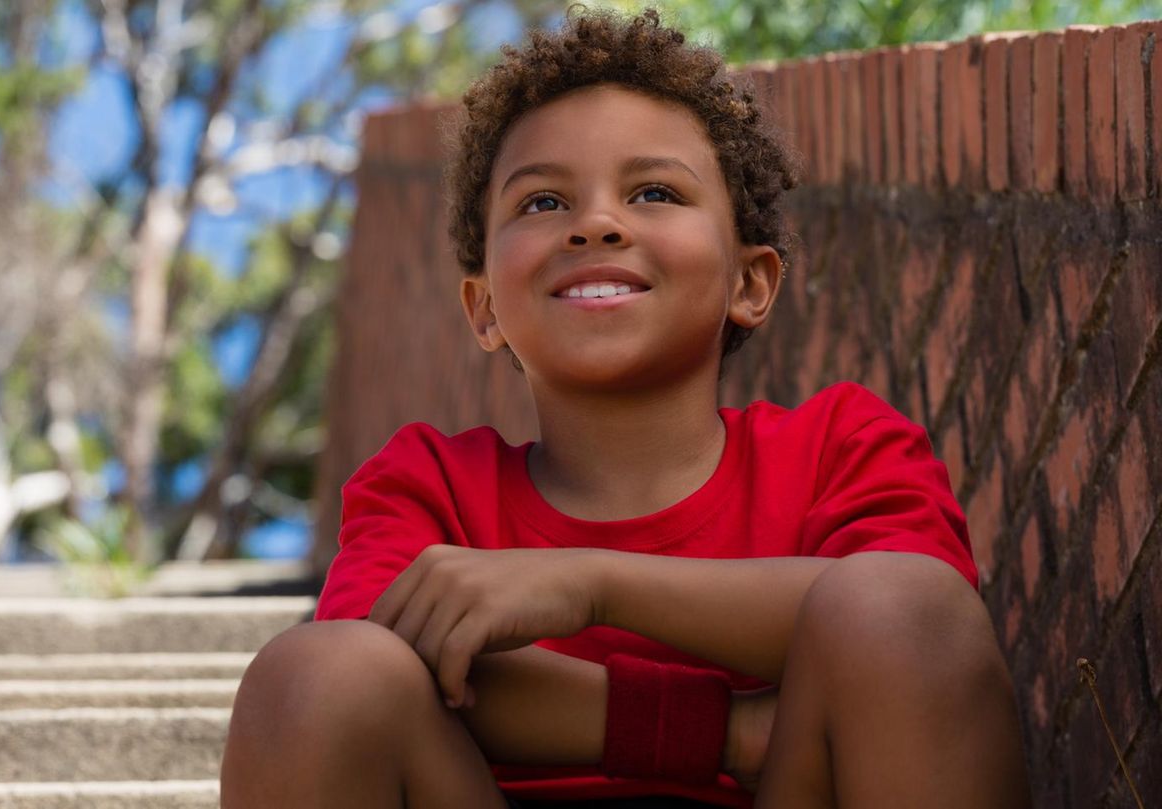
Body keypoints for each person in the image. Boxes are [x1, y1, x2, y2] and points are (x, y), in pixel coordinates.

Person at [220, 7, 1031, 808]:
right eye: (542, 203)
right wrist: (721, 732)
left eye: (653, 191)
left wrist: (592, 584)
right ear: (484, 307)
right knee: (314, 673)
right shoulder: (426, 486)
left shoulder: (841, 449)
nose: (597, 224)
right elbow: (369, 673)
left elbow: (919, 641)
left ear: (750, 282)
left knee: (894, 602)